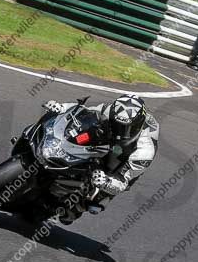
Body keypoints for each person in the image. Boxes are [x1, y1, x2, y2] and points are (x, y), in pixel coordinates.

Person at [43, 95, 159, 224]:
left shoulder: (144, 150)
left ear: (136, 126)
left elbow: (124, 180)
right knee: (82, 134)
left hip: (124, 157)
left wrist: (106, 182)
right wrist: (61, 107)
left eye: (124, 127)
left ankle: (74, 208)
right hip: (106, 139)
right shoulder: (108, 110)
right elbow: (83, 112)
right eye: (117, 124)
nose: (119, 129)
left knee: (96, 196)